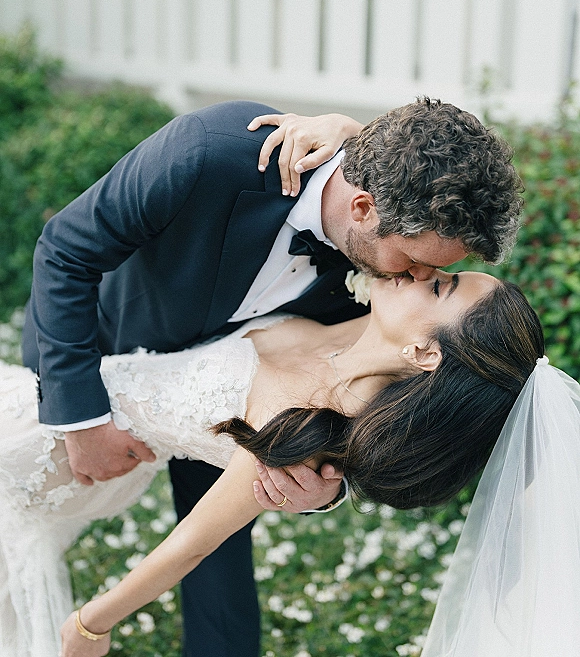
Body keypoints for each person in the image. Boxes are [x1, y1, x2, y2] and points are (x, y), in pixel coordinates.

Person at [21, 97, 522, 657]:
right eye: (413, 260)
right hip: (94, 359)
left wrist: (319, 488)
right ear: (362, 208)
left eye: (439, 275)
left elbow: (365, 406)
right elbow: (66, 251)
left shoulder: (389, 298)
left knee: (219, 552)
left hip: (234, 405)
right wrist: (81, 418)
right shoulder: (209, 154)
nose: (419, 276)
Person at [0, 267, 544, 657]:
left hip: (36, 451)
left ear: (426, 354)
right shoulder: (357, 327)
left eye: (439, 286)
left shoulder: (308, 427)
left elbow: (195, 543)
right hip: (56, 408)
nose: (420, 268)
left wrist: (91, 625)